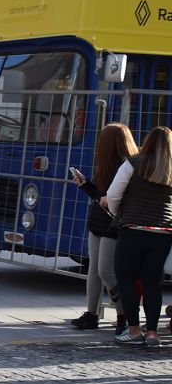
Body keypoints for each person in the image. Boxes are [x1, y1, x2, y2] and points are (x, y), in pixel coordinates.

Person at [107, 126, 172, 349]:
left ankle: (134, 330)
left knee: (126, 281)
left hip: (133, 229)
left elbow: (114, 194)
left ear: (148, 141)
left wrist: (119, 214)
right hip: (162, 234)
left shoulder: (132, 163)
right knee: (152, 284)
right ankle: (153, 334)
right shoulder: (170, 169)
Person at [69, 123, 137, 333]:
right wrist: (86, 185)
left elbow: (116, 199)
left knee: (105, 271)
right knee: (94, 271)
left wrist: (95, 191)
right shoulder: (109, 165)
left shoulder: (128, 166)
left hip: (113, 224)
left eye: (102, 141)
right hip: (99, 221)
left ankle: (124, 315)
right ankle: (92, 314)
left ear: (109, 144)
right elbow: (102, 197)